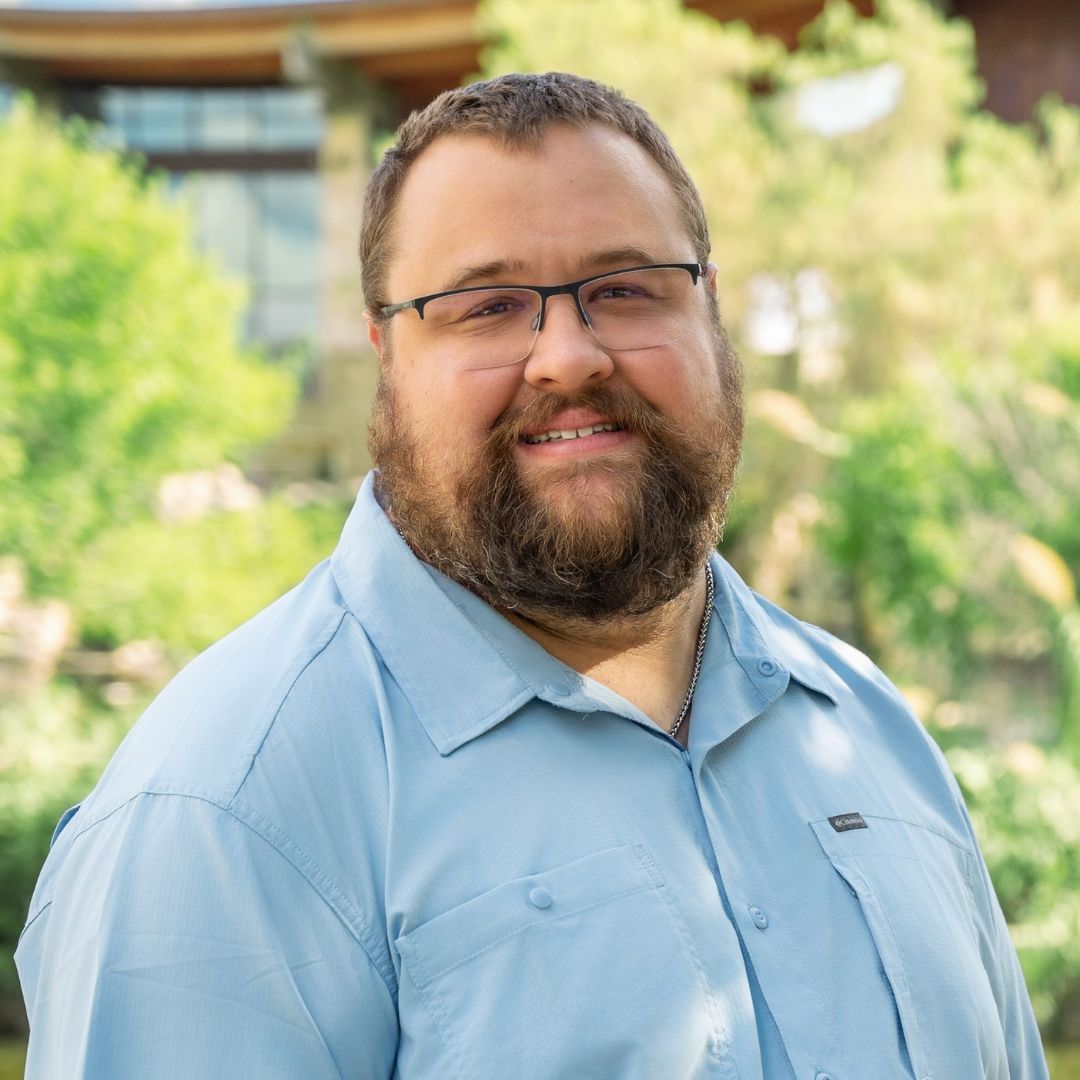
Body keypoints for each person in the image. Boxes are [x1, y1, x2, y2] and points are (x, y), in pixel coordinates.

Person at [16, 71, 1047, 1080]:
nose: (568, 356)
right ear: (385, 354)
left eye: (624, 289)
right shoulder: (223, 813)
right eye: (488, 306)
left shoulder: (866, 728)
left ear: (710, 310)